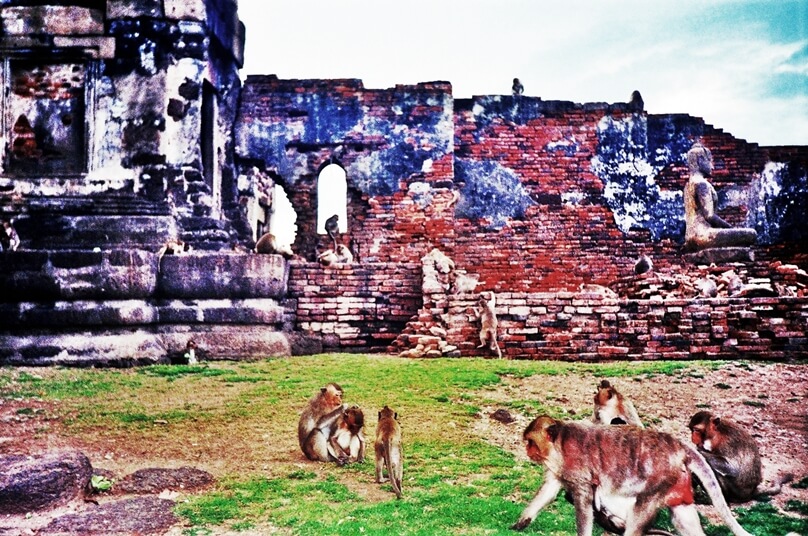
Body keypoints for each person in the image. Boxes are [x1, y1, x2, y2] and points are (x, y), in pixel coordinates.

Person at [683, 143, 756, 252]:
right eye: (709, 160)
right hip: (703, 235)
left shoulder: (688, 186)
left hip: (690, 237)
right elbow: (710, 216)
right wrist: (731, 229)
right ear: (700, 160)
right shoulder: (702, 184)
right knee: (751, 234)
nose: (712, 166)